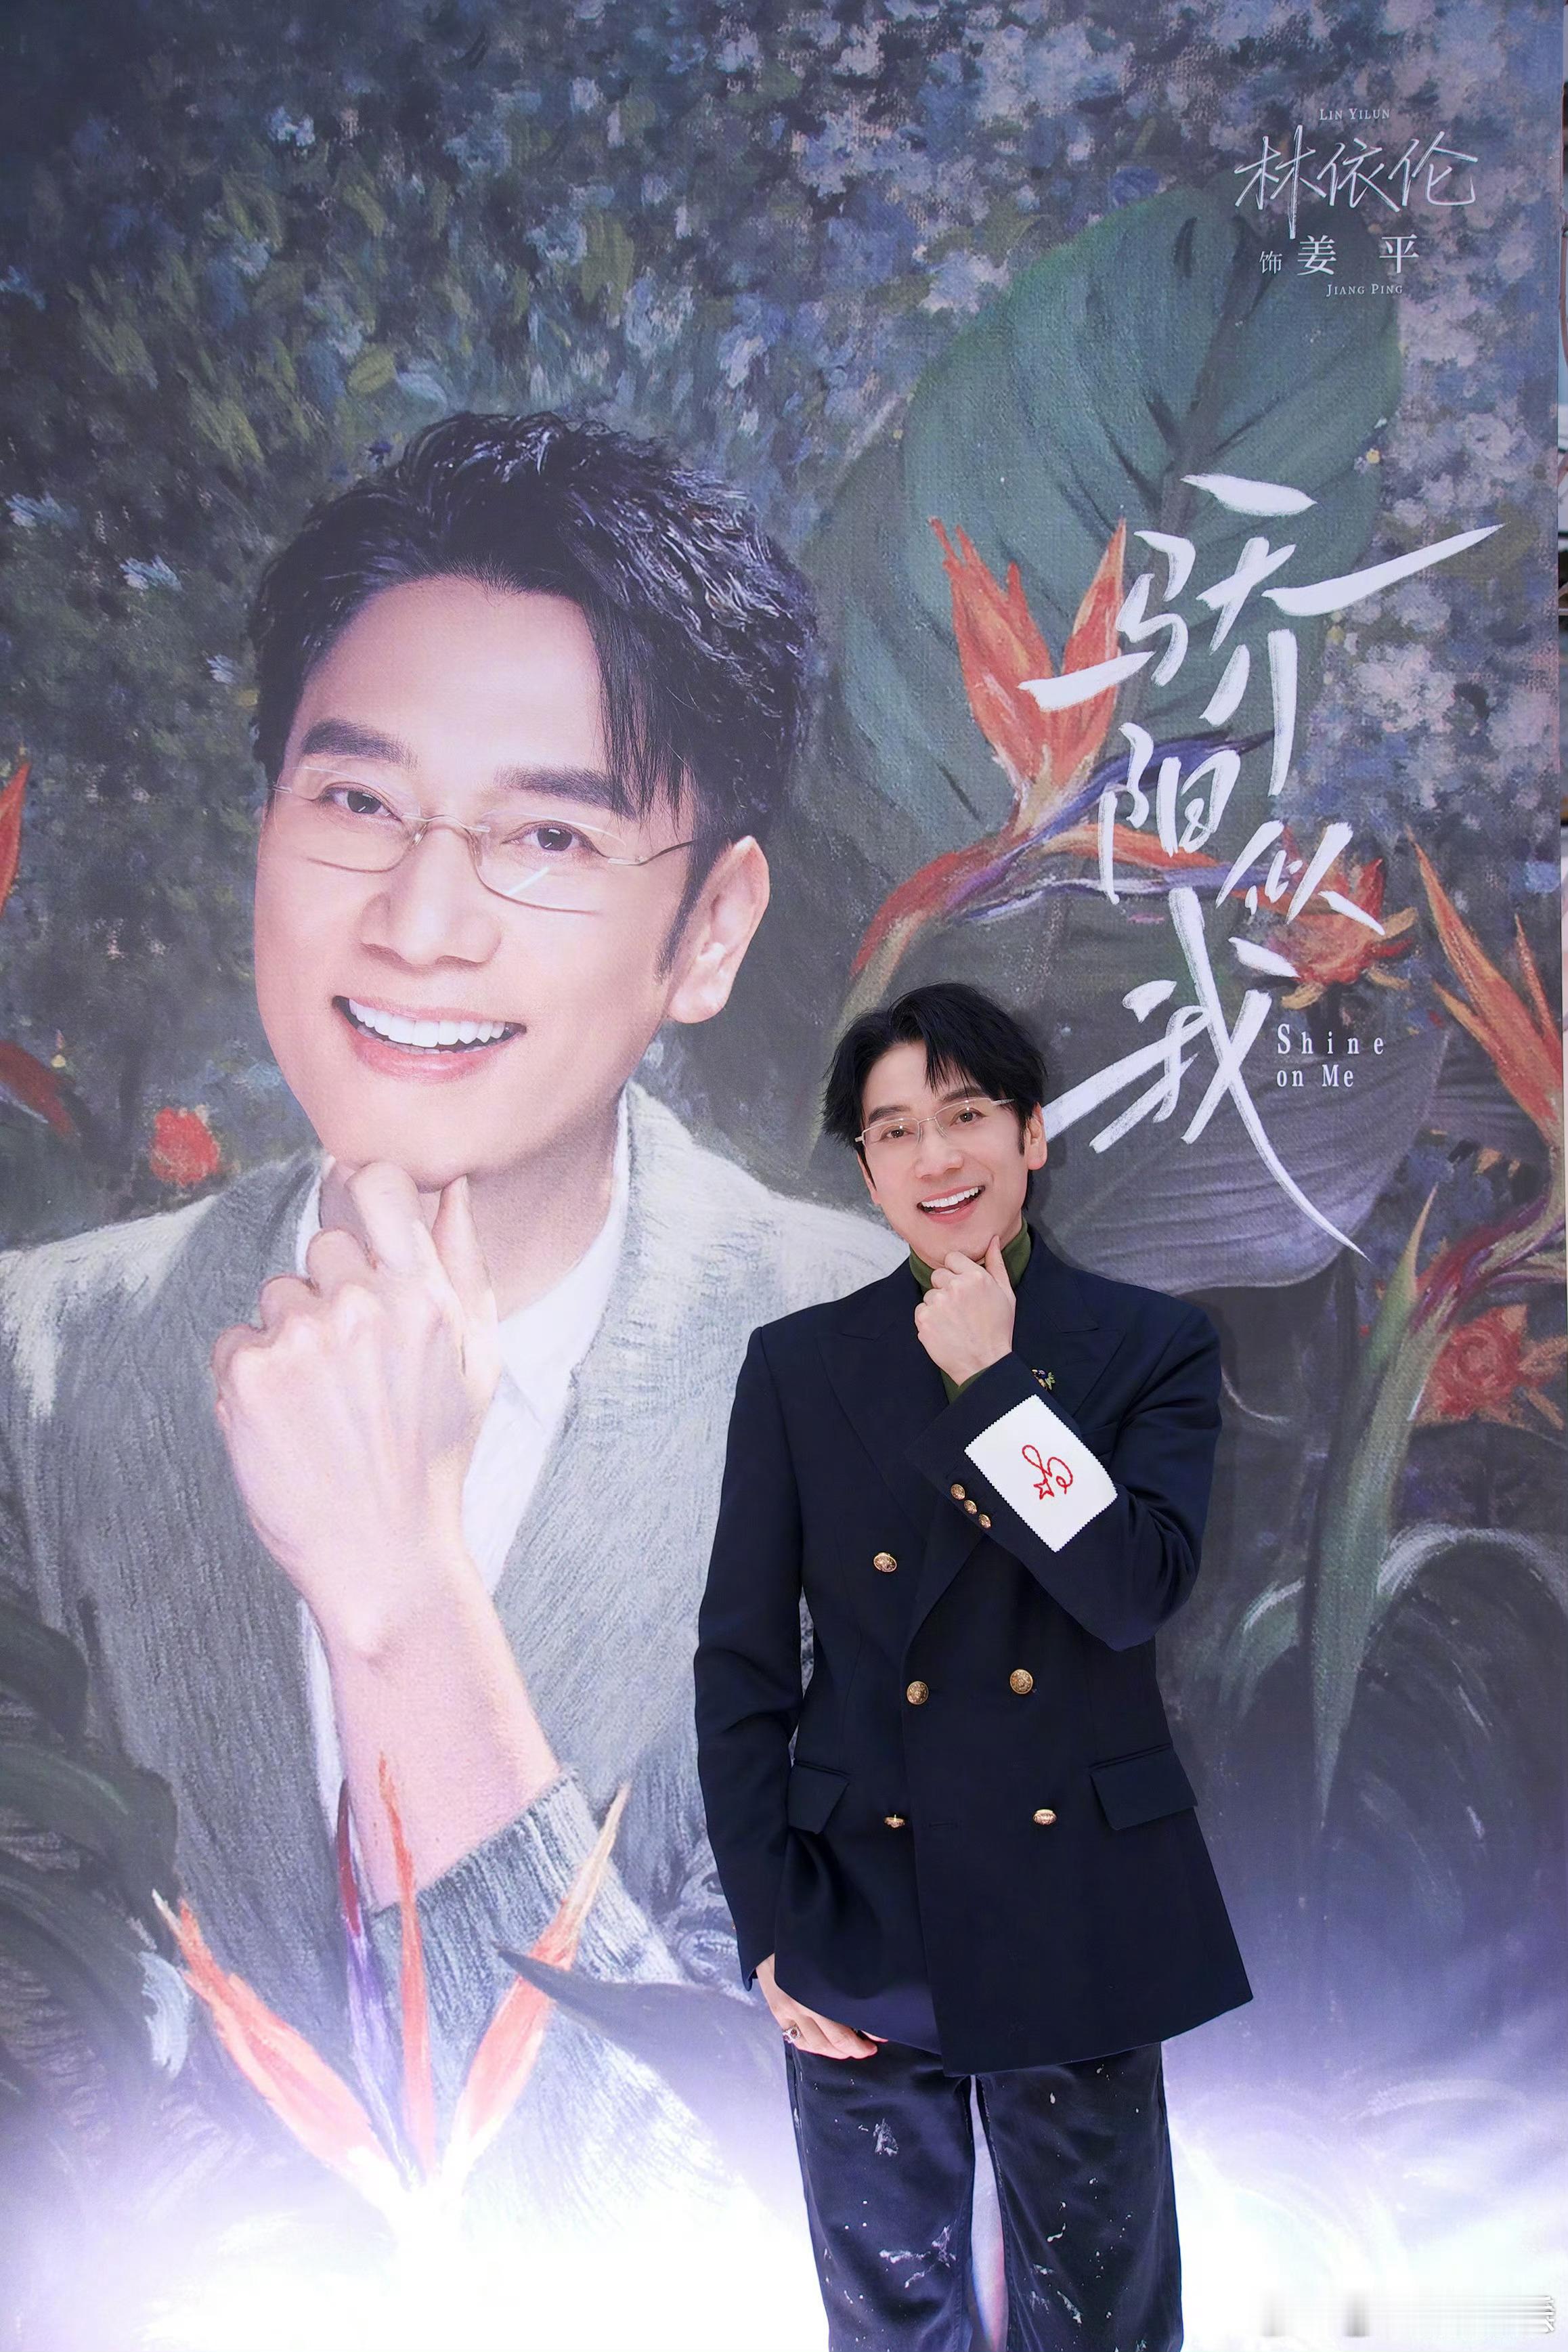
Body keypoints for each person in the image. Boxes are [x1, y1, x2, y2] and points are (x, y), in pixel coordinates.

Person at [0, 413, 898, 2238]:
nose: (418, 921)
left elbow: (795, 2209)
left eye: (548, 834)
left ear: (711, 928)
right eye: (354, 803)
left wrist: (402, 1598)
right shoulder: (40, 1371)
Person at [695, 980, 1251, 2351]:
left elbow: (1132, 1590)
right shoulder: (798, 1367)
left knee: (1103, 2315)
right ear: (866, 1167)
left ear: (1032, 1135)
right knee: (890, 2315)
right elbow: (743, 1667)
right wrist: (768, 1932)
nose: (935, 1156)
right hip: (859, 1910)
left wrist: (998, 1388)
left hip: (1079, 1904)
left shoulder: (1152, 1346)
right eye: (894, 1130)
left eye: (967, 1115)